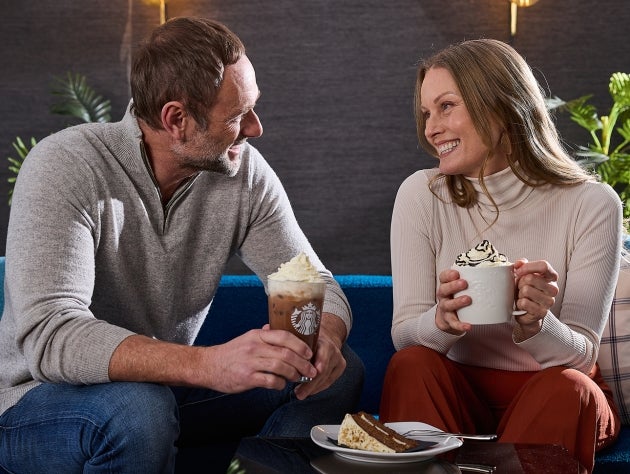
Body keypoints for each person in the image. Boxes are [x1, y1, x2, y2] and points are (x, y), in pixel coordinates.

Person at [0, 17, 364, 473]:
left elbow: (311, 283)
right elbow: (51, 337)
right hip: (36, 406)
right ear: (177, 119)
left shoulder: (243, 174)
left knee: (338, 370)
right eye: (236, 116)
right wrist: (208, 365)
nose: (255, 129)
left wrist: (320, 336)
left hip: (162, 394)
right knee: (139, 407)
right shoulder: (65, 166)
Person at [379, 38, 622, 473]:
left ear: (502, 106)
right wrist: (441, 320)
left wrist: (536, 323)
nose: (431, 128)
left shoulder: (592, 203)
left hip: (554, 394)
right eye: (426, 113)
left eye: (446, 106)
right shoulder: (420, 194)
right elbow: (404, 334)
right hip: (458, 392)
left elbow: (582, 357)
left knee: (569, 387)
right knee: (411, 364)